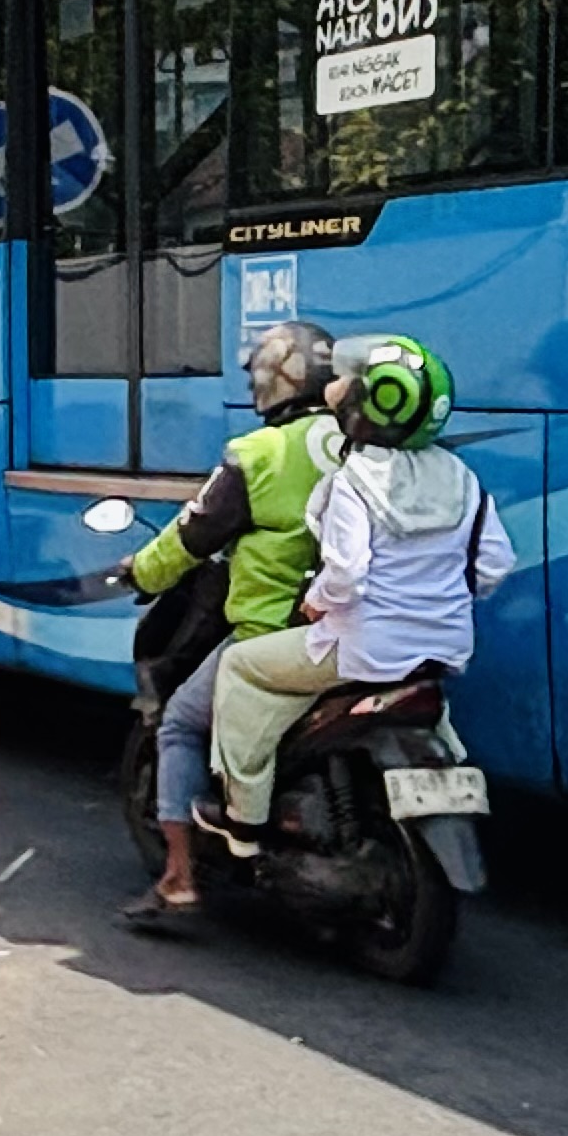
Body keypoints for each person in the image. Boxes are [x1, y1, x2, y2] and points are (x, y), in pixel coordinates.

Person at [199, 335, 514, 853]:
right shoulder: (462, 478)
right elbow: (494, 565)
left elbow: (346, 574)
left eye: (351, 385)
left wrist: (317, 602)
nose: (337, 389)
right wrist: (438, 600)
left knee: (241, 668)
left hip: (365, 649)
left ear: (370, 406)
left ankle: (244, 818)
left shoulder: (355, 480)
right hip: (444, 647)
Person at [115, 321, 342, 930]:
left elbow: (192, 535)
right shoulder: (365, 440)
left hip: (269, 635)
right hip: (365, 630)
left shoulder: (258, 454)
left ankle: (180, 878)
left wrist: (142, 570)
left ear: (274, 381)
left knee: (181, 725)